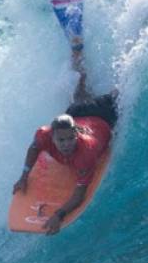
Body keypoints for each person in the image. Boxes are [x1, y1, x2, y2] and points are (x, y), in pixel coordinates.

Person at [12, 63, 118, 235]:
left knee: (117, 94)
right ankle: (78, 52)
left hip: (103, 115)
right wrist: (24, 175)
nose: (66, 144)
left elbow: (79, 194)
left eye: (70, 139)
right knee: (80, 89)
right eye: (61, 140)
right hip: (75, 114)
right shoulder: (43, 135)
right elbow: (33, 149)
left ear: (76, 134)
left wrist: (59, 214)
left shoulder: (86, 153)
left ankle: (127, 66)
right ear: (52, 137)